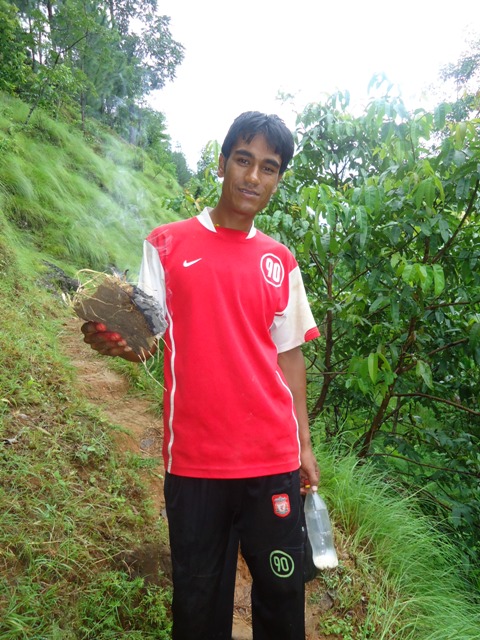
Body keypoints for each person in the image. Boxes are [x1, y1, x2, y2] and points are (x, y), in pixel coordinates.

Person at [81, 111, 320, 640]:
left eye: (268, 168)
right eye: (243, 160)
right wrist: (117, 343)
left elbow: (290, 358)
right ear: (221, 162)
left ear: (279, 178)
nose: (253, 177)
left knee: (282, 600)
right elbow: (146, 341)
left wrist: (304, 445)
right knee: (198, 604)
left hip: (272, 460)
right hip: (196, 462)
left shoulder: (280, 261)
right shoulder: (166, 244)